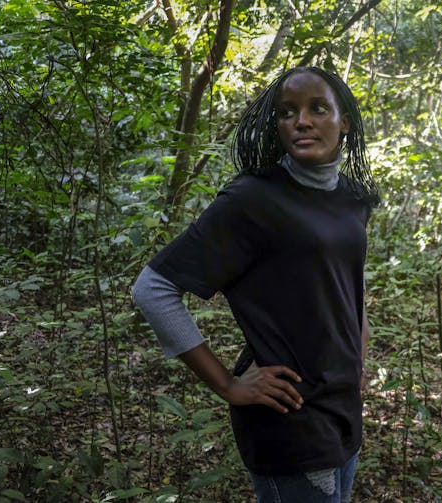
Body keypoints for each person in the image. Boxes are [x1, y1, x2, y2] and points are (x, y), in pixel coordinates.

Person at [132, 66, 379, 503]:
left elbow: (349, 282)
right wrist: (228, 385)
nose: (301, 121)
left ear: (344, 121)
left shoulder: (353, 198)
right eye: (287, 112)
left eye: (317, 108)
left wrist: (358, 359)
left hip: (344, 411)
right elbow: (153, 289)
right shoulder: (254, 199)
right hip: (291, 418)